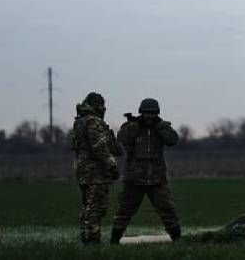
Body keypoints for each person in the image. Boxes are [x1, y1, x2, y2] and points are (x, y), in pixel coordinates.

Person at [110, 98, 181, 244]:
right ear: (141, 113)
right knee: (124, 212)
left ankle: (178, 240)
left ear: (157, 114)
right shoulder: (132, 126)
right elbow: (122, 138)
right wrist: (134, 126)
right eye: (147, 113)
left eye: (152, 113)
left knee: (167, 211)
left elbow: (173, 140)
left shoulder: (161, 128)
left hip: (157, 179)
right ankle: (114, 241)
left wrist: (161, 126)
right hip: (134, 179)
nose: (149, 116)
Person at [69, 92, 121, 244]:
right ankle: (92, 240)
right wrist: (112, 166)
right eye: (102, 105)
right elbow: (99, 147)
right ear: (96, 106)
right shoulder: (93, 121)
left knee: (88, 206)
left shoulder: (79, 122)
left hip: (83, 171)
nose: (104, 109)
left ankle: (86, 237)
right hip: (95, 172)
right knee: (96, 208)